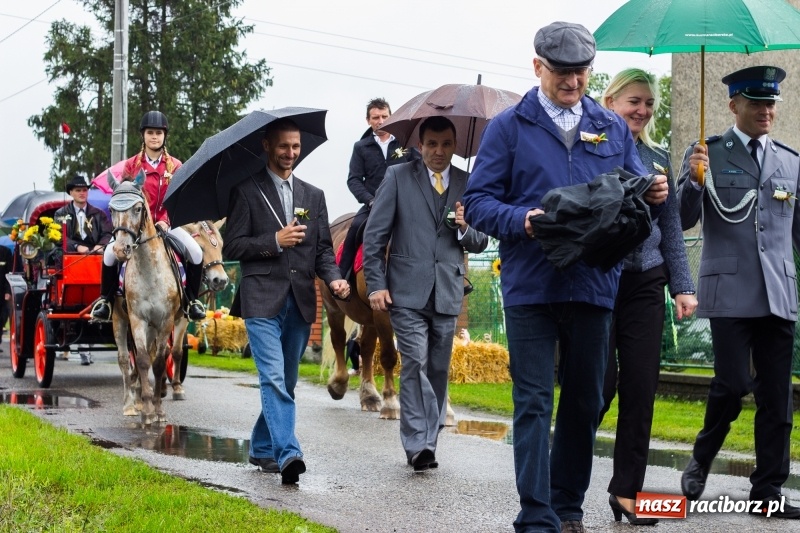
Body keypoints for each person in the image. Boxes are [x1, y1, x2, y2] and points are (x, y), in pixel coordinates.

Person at [462, 22, 668, 533]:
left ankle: (568, 507)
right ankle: (536, 515)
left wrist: (649, 194)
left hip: (596, 285)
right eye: (562, 72)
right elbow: (479, 203)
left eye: (580, 72)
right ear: (538, 68)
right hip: (531, 286)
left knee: (584, 399)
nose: (573, 82)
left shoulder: (611, 126)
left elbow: (625, 190)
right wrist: (522, 220)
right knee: (533, 401)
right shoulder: (509, 127)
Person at [676, 66, 800, 520]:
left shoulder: (791, 161)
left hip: (778, 295)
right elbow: (684, 219)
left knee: (777, 399)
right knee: (732, 385)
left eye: (772, 103)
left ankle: (767, 491)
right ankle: (701, 458)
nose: (767, 111)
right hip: (729, 290)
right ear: (734, 105)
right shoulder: (707, 152)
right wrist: (692, 181)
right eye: (757, 102)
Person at [223, 117, 350, 484]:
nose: (290, 153)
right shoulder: (246, 190)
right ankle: (288, 452)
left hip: (300, 301)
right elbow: (233, 245)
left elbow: (323, 251)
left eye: (295, 146)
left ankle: (262, 446)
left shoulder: (314, 196)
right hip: (260, 299)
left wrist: (336, 279)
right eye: (283, 146)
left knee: (288, 381)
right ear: (267, 146)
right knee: (274, 378)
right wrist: (274, 241)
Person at [597, 68, 698, 525]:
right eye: (632, 101)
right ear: (610, 101)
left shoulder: (659, 156)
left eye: (648, 104)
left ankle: (627, 492)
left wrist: (682, 286)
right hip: (599, 279)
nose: (641, 110)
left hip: (645, 282)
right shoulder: (591, 151)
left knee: (640, 387)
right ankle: (564, 479)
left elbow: (673, 227)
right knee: (599, 388)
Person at [364, 115, 488, 472]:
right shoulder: (398, 177)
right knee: (415, 361)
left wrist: (467, 226)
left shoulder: (468, 183)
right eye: (431, 144)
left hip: (448, 290)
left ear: (454, 146)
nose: (438, 151)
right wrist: (376, 285)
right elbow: (375, 237)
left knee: (437, 367)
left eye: (445, 144)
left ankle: (428, 442)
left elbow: (481, 241)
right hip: (405, 291)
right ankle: (417, 442)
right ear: (420, 146)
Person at [90, 111, 206, 322]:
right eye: (150, 132)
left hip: (166, 223)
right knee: (108, 255)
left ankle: (191, 301)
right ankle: (105, 302)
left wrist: (165, 220)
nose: (155, 137)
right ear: (143, 135)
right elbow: (124, 197)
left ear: (164, 136)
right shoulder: (132, 166)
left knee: (196, 252)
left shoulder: (176, 166)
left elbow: (176, 198)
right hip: (135, 226)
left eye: (159, 133)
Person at [339, 98, 418, 280]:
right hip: (373, 205)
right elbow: (354, 180)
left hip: (405, 202)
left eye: (384, 116)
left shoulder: (406, 143)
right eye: (375, 117)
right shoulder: (360, 147)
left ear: (392, 117)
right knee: (355, 229)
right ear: (368, 120)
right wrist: (370, 200)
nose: (380, 121)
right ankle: (343, 277)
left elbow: (420, 169)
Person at [54, 174, 113, 365]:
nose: (82, 193)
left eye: (85, 190)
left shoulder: (99, 214)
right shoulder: (61, 214)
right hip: (71, 259)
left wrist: (101, 246)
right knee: (62, 255)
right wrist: (76, 248)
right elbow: (58, 237)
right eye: (78, 190)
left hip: (96, 257)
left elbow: (107, 233)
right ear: (71, 193)